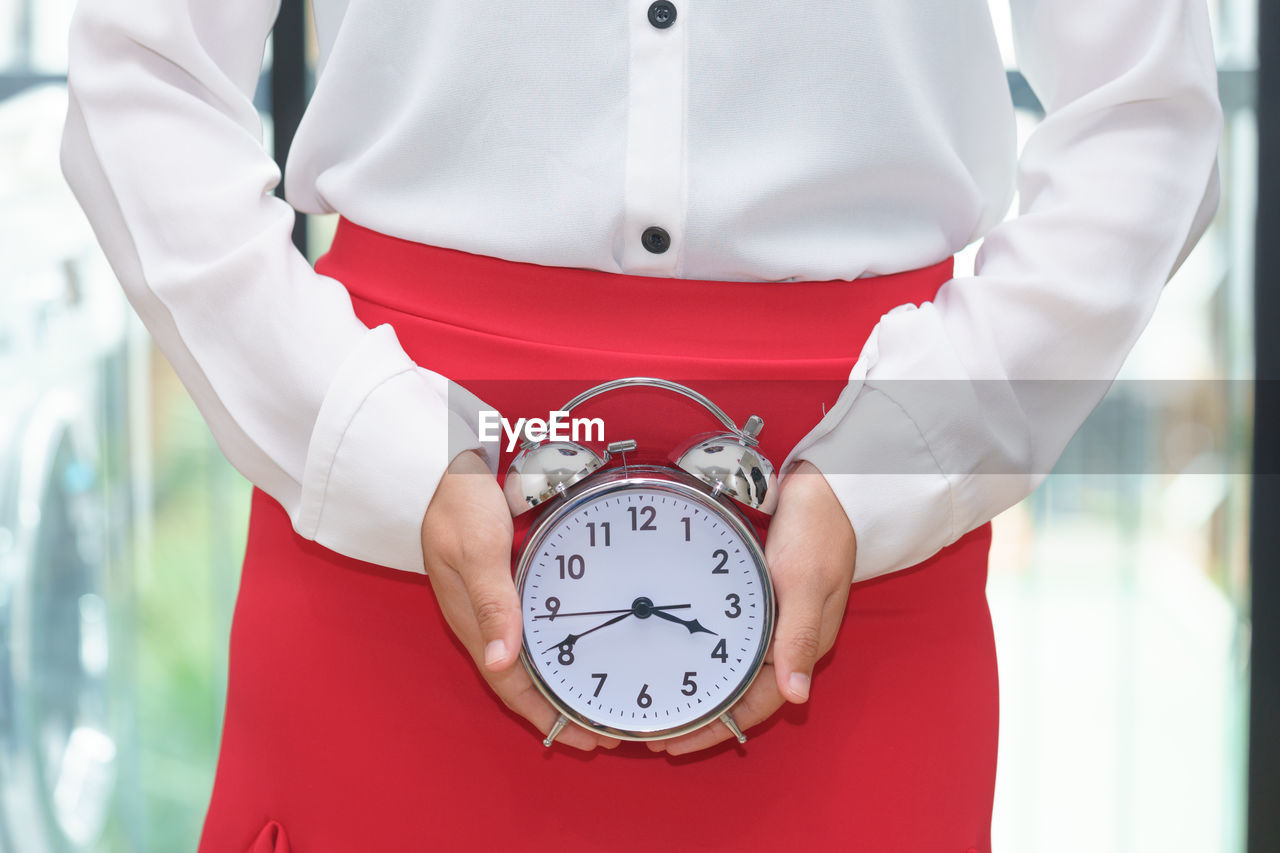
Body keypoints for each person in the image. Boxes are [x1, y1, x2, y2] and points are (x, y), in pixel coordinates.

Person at [60, 0, 1222, 850]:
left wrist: (898, 457)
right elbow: (140, 69)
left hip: (858, 549)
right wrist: (366, 437)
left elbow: (1146, 120)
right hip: (394, 519)